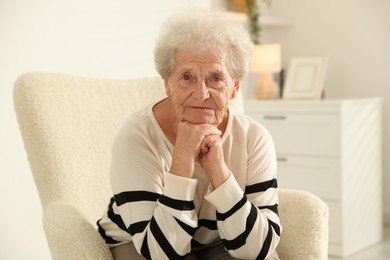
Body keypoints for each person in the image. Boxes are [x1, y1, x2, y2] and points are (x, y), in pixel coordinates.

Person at [97, 10, 281, 260]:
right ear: (167, 84)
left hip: (218, 242)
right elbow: (160, 252)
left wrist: (219, 171)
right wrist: (182, 160)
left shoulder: (254, 138)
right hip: (141, 241)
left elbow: (259, 250)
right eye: (186, 77)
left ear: (235, 88)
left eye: (216, 78)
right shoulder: (137, 137)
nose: (201, 93)